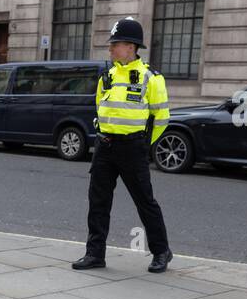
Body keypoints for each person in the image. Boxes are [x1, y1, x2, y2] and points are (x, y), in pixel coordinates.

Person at [72, 16, 173, 274]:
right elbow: (100, 107)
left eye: (115, 43)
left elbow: (161, 118)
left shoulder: (151, 78)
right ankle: (95, 254)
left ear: (131, 46)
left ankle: (161, 251)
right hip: (105, 146)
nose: (110, 48)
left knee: (145, 202)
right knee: (98, 202)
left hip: (133, 147)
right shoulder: (107, 75)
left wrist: (142, 144)